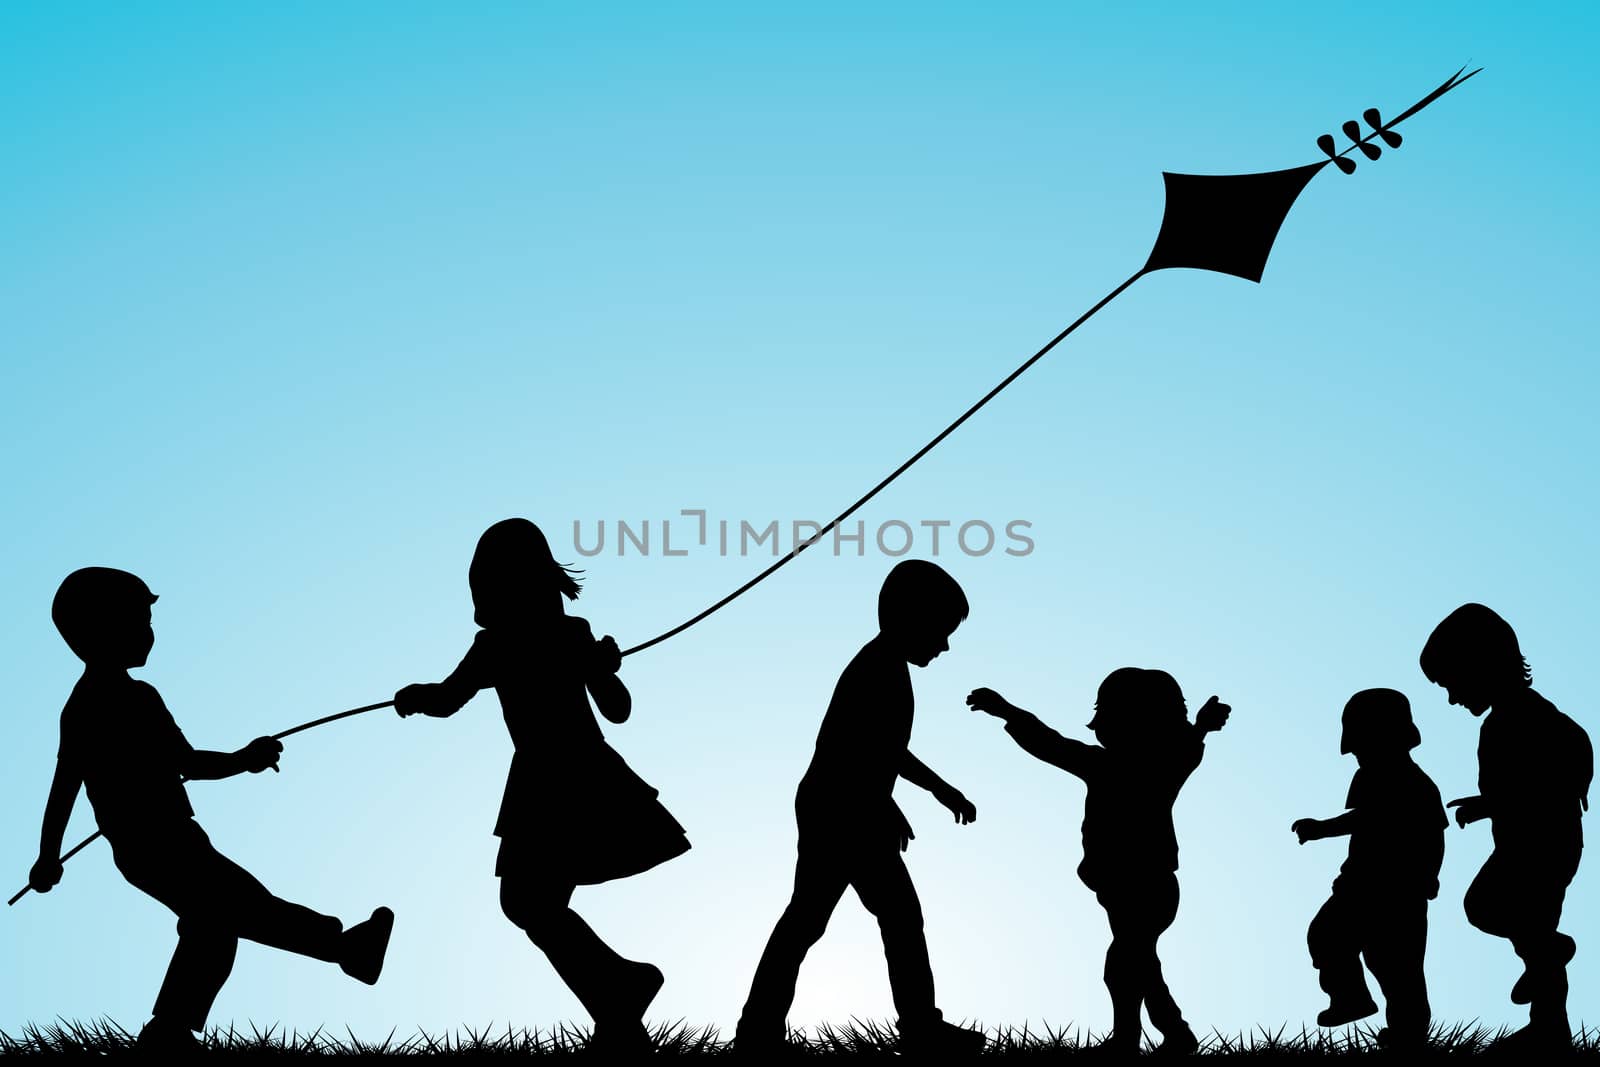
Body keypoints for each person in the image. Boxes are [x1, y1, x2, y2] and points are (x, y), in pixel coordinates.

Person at [28, 567, 393, 1051]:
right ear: (103, 629)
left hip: (146, 846)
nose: (150, 631)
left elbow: (66, 785)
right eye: (141, 619)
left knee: (220, 921)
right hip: (162, 842)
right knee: (238, 911)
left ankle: (176, 1028)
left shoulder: (82, 705)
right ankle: (341, 951)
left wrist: (48, 854)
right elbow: (187, 763)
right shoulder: (133, 699)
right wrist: (246, 759)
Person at [393, 518, 688, 1053]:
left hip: (557, 780)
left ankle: (621, 993)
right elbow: (618, 712)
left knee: (528, 902)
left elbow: (446, 700)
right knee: (533, 903)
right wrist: (599, 665)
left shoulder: (507, 644)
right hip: (574, 776)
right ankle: (620, 1002)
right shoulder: (557, 636)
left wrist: (603, 667)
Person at [735, 560, 985, 1056]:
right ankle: (917, 1027)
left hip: (845, 804)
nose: (945, 644)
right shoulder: (878, 669)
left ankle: (760, 1028)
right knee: (872, 917)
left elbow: (880, 749)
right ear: (911, 618)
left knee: (826, 918)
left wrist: (916, 794)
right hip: (842, 808)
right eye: (942, 630)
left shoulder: (883, 666)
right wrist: (899, 800)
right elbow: (860, 749)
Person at [968, 669, 1229, 1054]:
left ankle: (1141, 1037)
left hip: (1146, 884)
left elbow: (1052, 744)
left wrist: (1200, 729)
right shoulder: (1120, 765)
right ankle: (1170, 1033)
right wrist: (1008, 712)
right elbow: (1050, 744)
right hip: (1127, 885)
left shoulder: (1137, 768)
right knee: (1138, 962)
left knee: (1125, 962)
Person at [1421, 603, 1591, 1049]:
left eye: (1452, 683)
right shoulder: (1520, 717)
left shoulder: (1519, 719)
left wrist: (1496, 803)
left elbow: (1547, 776)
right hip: (1538, 844)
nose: (1453, 698)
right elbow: (1534, 779)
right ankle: (1550, 1024)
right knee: (1528, 928)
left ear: (1481, 664)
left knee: (1490, 907)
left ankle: (1550, 971)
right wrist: (1490, 804)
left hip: (1540, 848)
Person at [1291, 688, 1445, 1048]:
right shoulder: (1373, 776)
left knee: (1397, 970)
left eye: (1359, 744)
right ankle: (1352, 998)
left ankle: (1407, 1035)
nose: (1354, 754)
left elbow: (1421, 830)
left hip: (1393, 889)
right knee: (1330, 937)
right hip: (1362, 884)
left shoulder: (1414, 783)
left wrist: (1428, 874)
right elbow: (1365, 819)